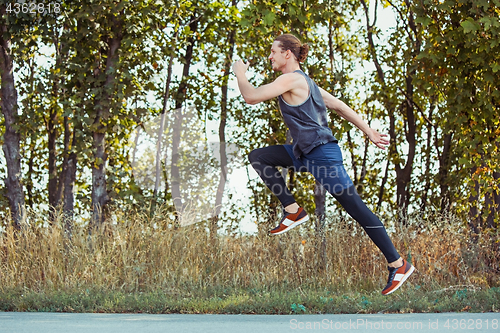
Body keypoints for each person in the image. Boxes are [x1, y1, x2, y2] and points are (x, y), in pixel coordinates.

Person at [232, 33, 414, 295]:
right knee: (260, 157)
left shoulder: (291, 78)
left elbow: (250, 96)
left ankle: (398, 264)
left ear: (287, 54)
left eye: (273, 51)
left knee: (356, 209)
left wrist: (240, 74)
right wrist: (369, 131)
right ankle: (293, 210)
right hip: (305, 153)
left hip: (323, 156)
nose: (269, 56)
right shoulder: (306, 83)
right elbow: (340, 107)